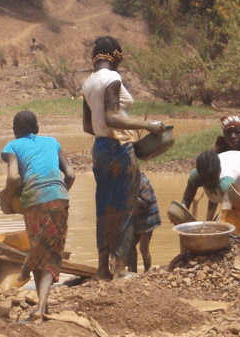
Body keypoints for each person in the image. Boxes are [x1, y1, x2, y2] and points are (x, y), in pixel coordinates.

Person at [81, 35, 166, 280]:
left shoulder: (88, 83)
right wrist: (146, 125)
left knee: (104, 208)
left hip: (99, 149)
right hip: (119, 149)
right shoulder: (113, 78)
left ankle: (101, 269)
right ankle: (119, 270)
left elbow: (89, 125)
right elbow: (111, 117)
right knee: (126, 209)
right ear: (116, 56)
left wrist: (109, 129)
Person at [0, 111, 75, 317]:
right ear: (37, 128)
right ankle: (42, 305)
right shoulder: (52, 142)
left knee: (37, 246)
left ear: (15, 131)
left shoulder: (13, 146)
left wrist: (7, 198)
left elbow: (13, 177)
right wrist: (58, 194)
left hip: (32, 200)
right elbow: (70, 174)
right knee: (52, 252)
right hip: (59, 197)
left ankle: (39, 303)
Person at [182, 150, 240, 221]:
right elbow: (185, 202)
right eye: (204, 179)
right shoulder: (196, 175)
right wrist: (207, 223)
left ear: (219, 172)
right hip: (236, 167)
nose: (208, 183)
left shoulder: (226, 179)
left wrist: (217, 224)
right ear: (199, 174)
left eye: (212, 178)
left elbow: (226, 208)